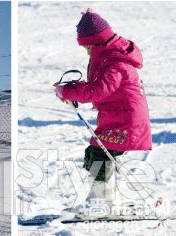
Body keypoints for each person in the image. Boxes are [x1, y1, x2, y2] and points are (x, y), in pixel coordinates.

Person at [54, 8, 151, 202]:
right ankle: (101, 197)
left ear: (98, 41)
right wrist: (70, 90)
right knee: (94, 152)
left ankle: (102, 203)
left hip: (126, 121)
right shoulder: (110, 56)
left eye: (88, 47)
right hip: (118, 117)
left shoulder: (116, 62)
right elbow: (97, 88)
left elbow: (97, 90)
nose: (88, 52)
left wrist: (66, 91)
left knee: (100, 155)